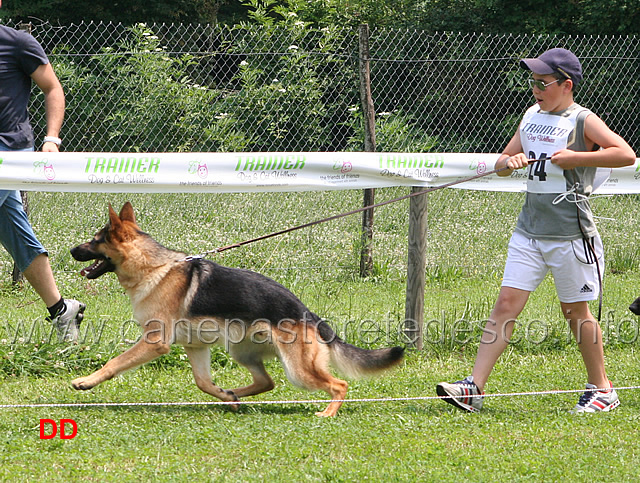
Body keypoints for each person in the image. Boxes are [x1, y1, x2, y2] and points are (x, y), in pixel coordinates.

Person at [436, 48, 636, 413]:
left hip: (571, 234)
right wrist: (507, 162)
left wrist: (578, 157)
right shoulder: (530, 116)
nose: (535, 89)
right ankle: (473, 388)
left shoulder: (582, 120)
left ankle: (602, 389)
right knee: (505, 304)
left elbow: (625, 154)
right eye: (533, 82)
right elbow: (501, 163)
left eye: (543, 83)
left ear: (566, 85)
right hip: (528, 231)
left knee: (575, 312)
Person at [0, 16, 85, 342]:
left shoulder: (18, 42)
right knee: (17, 233)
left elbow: (52, 88)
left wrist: (53, 138)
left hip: (10, 152)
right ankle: (62, 311)